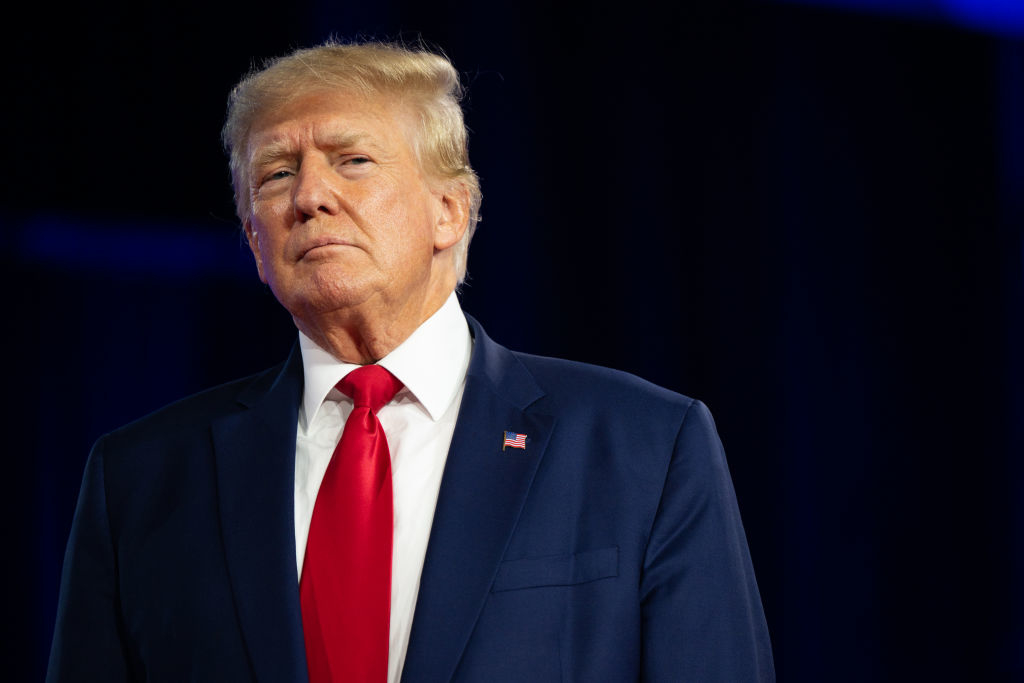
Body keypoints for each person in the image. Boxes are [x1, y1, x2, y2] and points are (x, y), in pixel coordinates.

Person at [47, 41, 774, 682]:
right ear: (252, 239)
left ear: (450, 211)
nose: (308, 196)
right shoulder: (139, 479)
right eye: (274, 174)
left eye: (352, 161)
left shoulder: (645, 444)